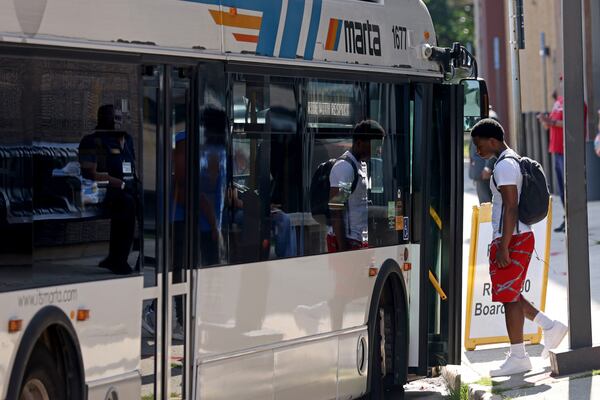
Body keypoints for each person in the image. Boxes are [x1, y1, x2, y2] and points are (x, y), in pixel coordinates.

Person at [470, 119, 568, 377]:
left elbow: (511, 205)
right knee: (509, 293)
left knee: (509, 298)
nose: (477, 150)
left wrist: (504, 246)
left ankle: (518, 356)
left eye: (479, 145)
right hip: (516, 237)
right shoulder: (507, 161)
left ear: (493, 141)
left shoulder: (504, 166)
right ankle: (551, 327)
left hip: (513, 238)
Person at [79, 104, 138, 275]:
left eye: (120, 118)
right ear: (102, 119)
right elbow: (90, 173)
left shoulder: (127, 139)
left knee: (147, 201)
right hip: (100, 190)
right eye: (114, 118)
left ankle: (139, 257)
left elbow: (132, 167)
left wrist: (134, 183)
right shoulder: (92, 140)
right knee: (127, 203)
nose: (118, 122)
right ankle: (119, 260)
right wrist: (118, 183)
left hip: (126, 187)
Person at [537, 77, 587, 232]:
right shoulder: (558, 101)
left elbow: (572, 123)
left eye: (564, 80)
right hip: (556, 149)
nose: (562, 83)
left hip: (569, 150)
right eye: (560, 80)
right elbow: (549, 124)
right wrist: (544, 120)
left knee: (571, 186)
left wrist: (550, 122)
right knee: (561, 188)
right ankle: (567, 218)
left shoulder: (578, 103)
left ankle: (575, 219)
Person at [327, 120, 385, 252]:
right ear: (359, 143)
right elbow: (336, 209)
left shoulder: (360, 165)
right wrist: (343, 250)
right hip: (346, 242)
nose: (378, 151)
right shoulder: (345, 167)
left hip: (357, 240)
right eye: (375, 146)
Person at [469, 107, 499, 203]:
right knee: (484, 203)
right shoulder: (481, 117)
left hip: (485, 171)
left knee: (486, 204)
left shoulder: (490, 117)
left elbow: (494, 144)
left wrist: (488, 167)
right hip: (480, 171)